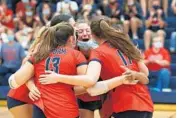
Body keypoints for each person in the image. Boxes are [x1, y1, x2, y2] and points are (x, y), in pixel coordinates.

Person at [9, 22, 140, 118]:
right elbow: (89, 84)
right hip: (66, 109)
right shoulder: (75, 54)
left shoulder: (39, 54)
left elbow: (14, 81)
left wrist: (36, 83)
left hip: (42, 108)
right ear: (72, 38)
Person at [39, 19, 153, 118]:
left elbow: (90, 84)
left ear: (92, 34)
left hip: (113, 98)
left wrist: (59, 80)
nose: (84, 34)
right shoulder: (125, 45)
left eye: (87, 31)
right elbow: (145, 75)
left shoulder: (97, 51)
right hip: (142, 102)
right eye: (80, 31)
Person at [7, 14, 75, 118]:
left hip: (43, 99)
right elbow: (25, 66)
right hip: (23, 97)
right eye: (73, 25)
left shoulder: (68, 45)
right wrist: (31, 85)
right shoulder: (43, 46)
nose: (76, 28)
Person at [7, 26, 46, 118]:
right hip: (19, 97)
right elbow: (26, 77)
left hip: (30, 98)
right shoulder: (32, 55)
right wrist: (32, 87)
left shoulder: (47, 53)